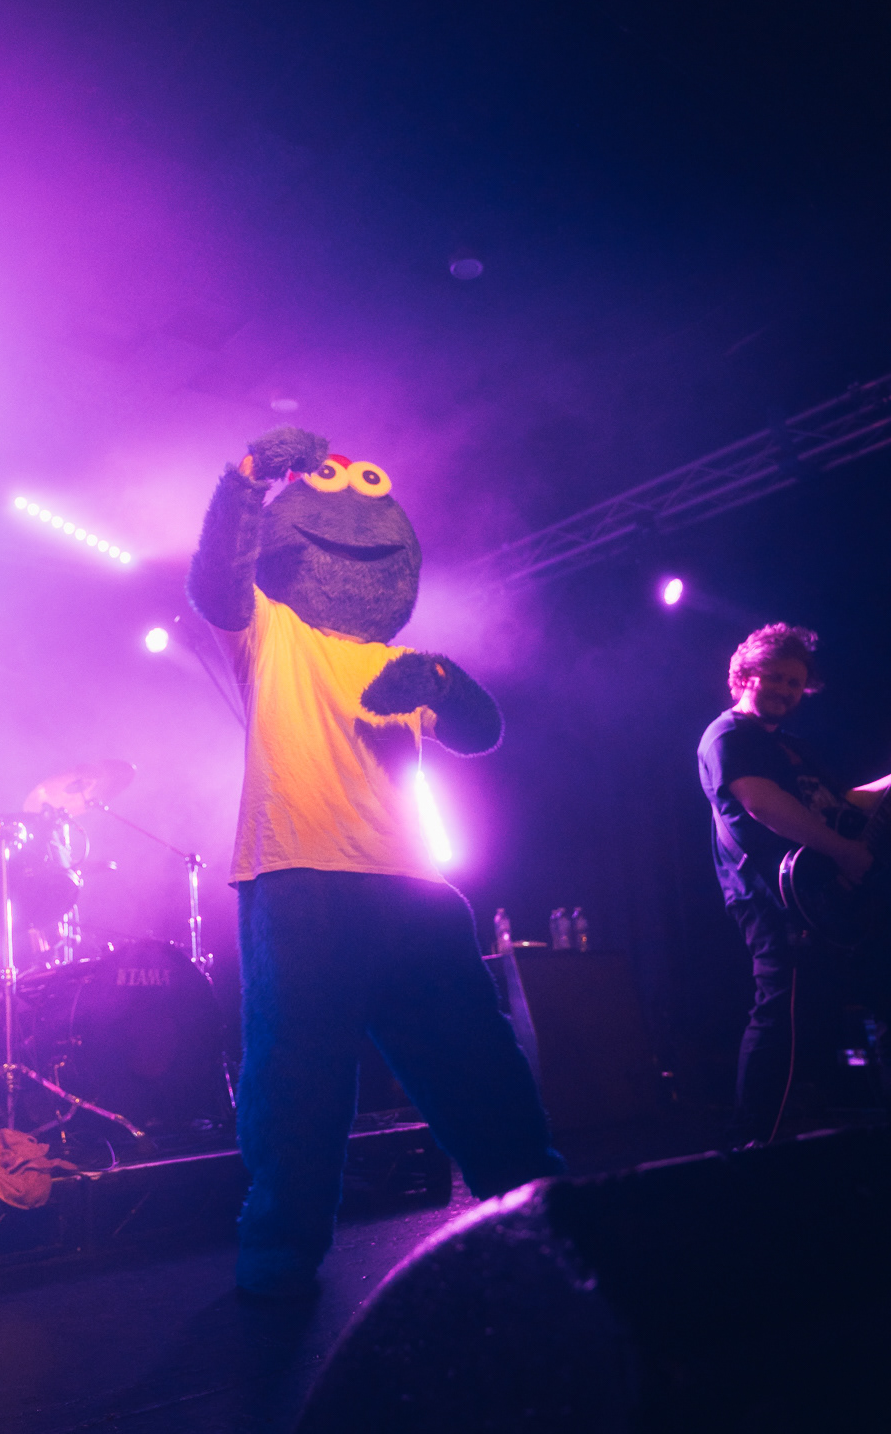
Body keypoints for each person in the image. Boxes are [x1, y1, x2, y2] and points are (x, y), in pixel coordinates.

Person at [188, 426, 562, 1299]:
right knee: (300, 1081)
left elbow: (482, 731)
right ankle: (281, 1251)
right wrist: (249, 476)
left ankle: (542, 1213)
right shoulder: (273, 632)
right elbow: (216, 580)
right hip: (302, 880)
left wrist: (444, 683)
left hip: (415, 890)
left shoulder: (403, 660)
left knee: (478, 1065)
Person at [697, 623, 891, 1145]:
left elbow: (839, 804)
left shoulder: (794, 748)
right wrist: (845, 851)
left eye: (795, 683)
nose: (786, 690)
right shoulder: (729, 736)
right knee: (780, 1015)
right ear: (746, 674)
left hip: (825, 897)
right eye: (777, 677)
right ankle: (751, 1147)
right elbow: (763, 804)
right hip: (775, 898)